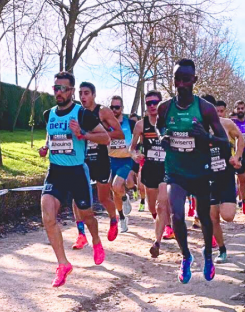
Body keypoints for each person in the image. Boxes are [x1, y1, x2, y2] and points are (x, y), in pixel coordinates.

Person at [156, 59, 230, 283]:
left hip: (201, 171)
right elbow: (159, 126)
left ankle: (207, 253)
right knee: (176, 214)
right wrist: (163, 138)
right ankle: (186, 256)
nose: (180, 84)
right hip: (176, 171)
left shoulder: (205, 109)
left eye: (185, 79)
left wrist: (205, 137)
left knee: (206, 217)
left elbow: (224, 143)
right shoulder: (165, 107)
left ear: (194, 81)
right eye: (177, 79)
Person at [39, 72, 110, 287]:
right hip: (56, 172)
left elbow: (105, 138)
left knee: (87, 217)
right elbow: (51, 135)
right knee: (48, 216)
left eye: (63, 89)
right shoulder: (48, 114)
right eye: (56, 88)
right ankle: (63, 264)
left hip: (77, 172)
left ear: (71, 91)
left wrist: (83, 135)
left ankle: (96, 242)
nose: (58, 92)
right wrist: (46, 147)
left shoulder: (82, 114)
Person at [73, 82, 122, 249]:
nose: (83, 96)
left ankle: (114, 219)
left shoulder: (103, 111)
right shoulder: (77, 112)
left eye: (86, 93)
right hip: (82, 159)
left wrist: (96, 135)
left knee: (103, 198)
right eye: (80, 93)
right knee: (76, 197)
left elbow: (119, 133)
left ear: (94, 95)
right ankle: (81, 234)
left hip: (100, 159)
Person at [130, 90, 173, 257]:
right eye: (149, 103)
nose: (153, 106)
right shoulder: (141, 125)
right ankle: (164, 224)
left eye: (156, 102)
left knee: (161, 205)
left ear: (161, 104)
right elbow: (131, 148)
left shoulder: (169, 123)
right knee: (152, 207)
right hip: (149, 169)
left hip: (167, 168)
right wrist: (135, 155)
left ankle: (157, 243)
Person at [209, 98, 244, 264]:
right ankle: (222, 250)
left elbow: (241, 139)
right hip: (208, 179)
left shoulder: (227, 124)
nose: (216, 114)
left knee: (228, 216)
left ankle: (234, 195)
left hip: (226, 175)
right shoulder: (199, 127)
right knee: (213, 217)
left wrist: (236, 156)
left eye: (219, 111)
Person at [106, 95, 137, 233]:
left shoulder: (129, 124)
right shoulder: (106, 124)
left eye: (117, 107)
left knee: (116, 185)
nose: (114, 110)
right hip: (111, 160)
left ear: (122, 108)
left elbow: (139, 141)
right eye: (111, 107)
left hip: (126, 160)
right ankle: (122, 218)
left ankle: (125, 198)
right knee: (115, 191)